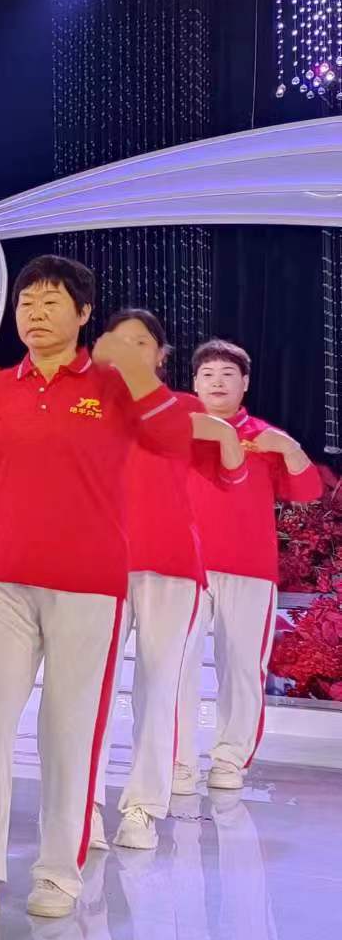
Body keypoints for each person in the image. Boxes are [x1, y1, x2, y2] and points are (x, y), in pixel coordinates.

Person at [0, 256, 190, 920]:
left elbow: (173, 438)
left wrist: (138, 370)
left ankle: (58, 874)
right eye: (26, 302)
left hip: (88, 582)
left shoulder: (112, 386)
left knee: (69, 729)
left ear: (84, 314)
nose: (35, 312)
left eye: (52, 301)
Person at [91, 310, 245, 851]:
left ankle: (142, 808)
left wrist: (225, 436)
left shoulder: (184, 408)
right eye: (119, 341)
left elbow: (229, 474)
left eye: (142, 343)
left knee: (158, 690)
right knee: (90, 691)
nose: (129, 350)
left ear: (161, 356)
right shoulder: (88, 410)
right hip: (99, 567)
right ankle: (83, 809)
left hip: (172, 567)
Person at [177, 338, 323, 792]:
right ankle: (177, 761)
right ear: (194, 383)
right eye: (207, 374)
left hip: (250, 569)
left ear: (245, 383)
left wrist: (291, 448)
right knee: (174, 666)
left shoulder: (264, 437)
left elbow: (307, 492)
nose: (216, 382)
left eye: (227, 374)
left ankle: (230, 760)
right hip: (183, 566)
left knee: (243, 669)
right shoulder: (177, 430)